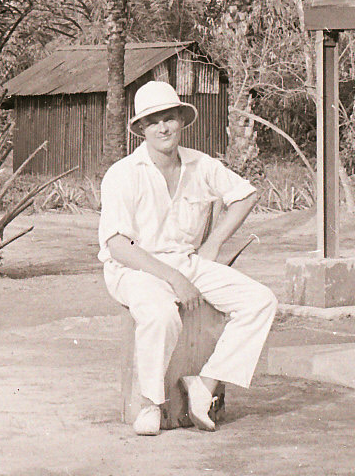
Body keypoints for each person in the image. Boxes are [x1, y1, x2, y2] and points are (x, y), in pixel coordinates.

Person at [99, 80, 277, 436]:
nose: (163, 128)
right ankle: (152, 404)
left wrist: (212, 245)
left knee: (260, 301)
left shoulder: (201, 165)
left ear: (181, 119)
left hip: (188, 262)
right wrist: (175, 279)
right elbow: (118, 245)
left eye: (169, 118)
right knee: (162, 313)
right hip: (134, 268)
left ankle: (204, 384)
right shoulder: (123, 174)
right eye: (153, 121)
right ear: (140, 129)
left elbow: (245, 195)